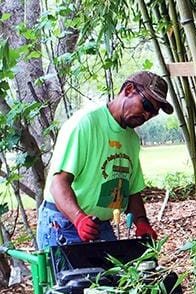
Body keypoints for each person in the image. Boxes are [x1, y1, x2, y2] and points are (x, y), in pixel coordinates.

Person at [36, 71, 174, 250]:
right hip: (64, 225)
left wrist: (141, 221)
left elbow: (131, 190)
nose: (147, 115)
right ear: (129, 89)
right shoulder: (85, 124)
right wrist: (79, 219)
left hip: (101, 226)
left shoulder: (131, 139)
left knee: (113, 278)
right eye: (146, 105)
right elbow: (58, 184)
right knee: (75, 279)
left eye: (154, 113)